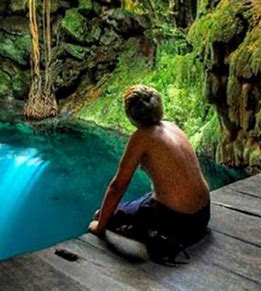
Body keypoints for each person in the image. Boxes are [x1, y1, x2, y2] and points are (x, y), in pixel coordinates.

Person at [88, 84, 210, 251]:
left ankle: (152, 235)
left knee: (100, 216)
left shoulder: (141, 137)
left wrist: (100, 226)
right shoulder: (173, 127)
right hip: (203, 215)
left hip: (180, 220)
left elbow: (117, 185)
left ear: (130, 115)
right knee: (141, 201)